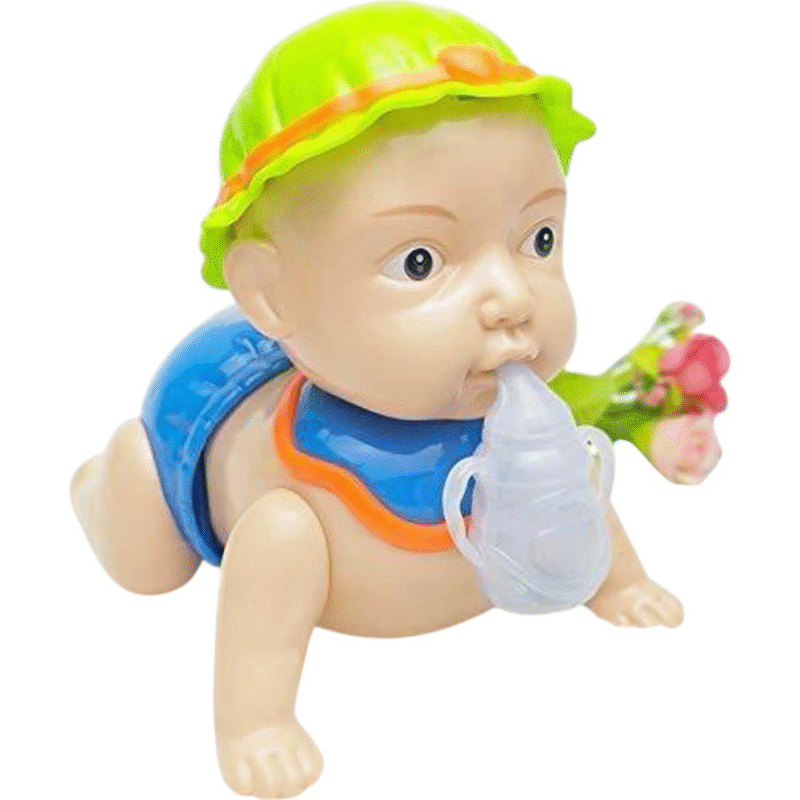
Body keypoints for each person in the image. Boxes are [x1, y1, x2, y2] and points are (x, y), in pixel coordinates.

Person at [70, 4, 712, 797]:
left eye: (538, 239)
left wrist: (618, 581)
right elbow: (258, 632)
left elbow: (577, 496)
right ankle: (102, 480)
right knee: (147, 567)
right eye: (419, 262)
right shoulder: (295, 518)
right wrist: (257, 725)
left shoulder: (528, 423)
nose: (512, 297)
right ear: (272, 297)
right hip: (182, 437)